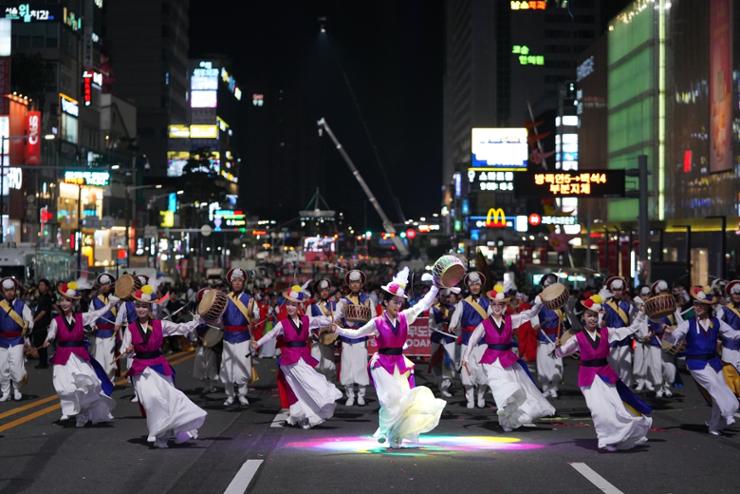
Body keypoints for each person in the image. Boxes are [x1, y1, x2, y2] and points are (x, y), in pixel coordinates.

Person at [334, 268, 446, 448]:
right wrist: (339, 330)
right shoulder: (377, 322)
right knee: (388, 398)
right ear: (385, 302)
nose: (398, 306)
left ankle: (394, 433)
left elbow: (423, 305)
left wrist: (435, 287)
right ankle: (384, 429)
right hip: (381, 363)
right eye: (395, 302)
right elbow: (356, 333)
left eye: (400, 303)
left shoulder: (405, 317)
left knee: (404, 399)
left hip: (399, 363)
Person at [555, 295, 652, 451]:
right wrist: (557, 347)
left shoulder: (608, 332)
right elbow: (561, 353)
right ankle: (605, 439)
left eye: (594, 315)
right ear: (584, 318)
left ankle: (618, 437)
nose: (592, 319)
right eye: (589, 316)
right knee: (598, 410)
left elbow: (630, 329)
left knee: (616, 408)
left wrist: (641, 315)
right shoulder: (577, 338)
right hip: (588, 377)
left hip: (606, 374)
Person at [118, 284, 206, 448]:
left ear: (150, 307)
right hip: (140, 370)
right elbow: (123, 350)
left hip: (159, 366)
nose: (141, 309)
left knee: (170, 399)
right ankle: (158, 433)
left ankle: (167, 434)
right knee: (152, 400)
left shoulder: (161, 324)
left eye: (144, 306)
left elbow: (182, 328)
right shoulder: (130, 329)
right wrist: (128, 351)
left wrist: (196, 320)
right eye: (138, 306)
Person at [462, 284, 553, 432]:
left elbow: (529, 314)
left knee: (520, 389)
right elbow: (472, 340)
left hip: (508, 359)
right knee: (501, 387)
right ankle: (503, 412)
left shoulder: (511, 320)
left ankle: (508, 420)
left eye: (500, 305)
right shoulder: (485, 324)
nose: (497, 307)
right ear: (491, 306)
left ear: (504, 306)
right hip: (491, 360)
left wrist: (538, 303)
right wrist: (465, 358)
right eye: (494, 304)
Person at [252, 285, 342, 429]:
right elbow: (271, 334)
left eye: (293, 305)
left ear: (298, 306)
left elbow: (321, 320)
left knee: (304, 385)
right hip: (290, 359)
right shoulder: (282, 323)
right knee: (302, 385)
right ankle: (304, 412)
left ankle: (298, 415)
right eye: (288, 304)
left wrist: (333, 319)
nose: (290, 307)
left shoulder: (307, 320)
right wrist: (258, 343)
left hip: (302, 356)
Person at [663, 286, 740, 435]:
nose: (697, 307)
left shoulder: (716, 322)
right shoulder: (688, 323)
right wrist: (668, 333)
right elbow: (675, 338)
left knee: (721, 388)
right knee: (713, 386)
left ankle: (714, 425)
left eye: (700, 304)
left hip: (714, 362)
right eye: (696, 304)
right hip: (695, 363)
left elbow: (733, 334)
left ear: (707, 306)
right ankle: (728, 413)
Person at [43, 281, 117, 426]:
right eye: (62, 300)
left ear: (73, 303)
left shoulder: (81, 318)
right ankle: (68, 410)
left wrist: (110, 305)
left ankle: (82, 414)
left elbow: (97, 314)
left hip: (79, 355)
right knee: (65, 386)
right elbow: (52, 333)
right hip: (63, 357)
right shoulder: (56, 320)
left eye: (68, 301)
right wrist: (48, 339)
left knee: (88, 384)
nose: (64, 303)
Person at [334, 269, 377, 406]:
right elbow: (335, 318)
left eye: (357, 282)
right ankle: (350, 395)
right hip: (347, 338)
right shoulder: (342, 301)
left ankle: (361, 395)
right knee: (347, 366)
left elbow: (374, 319)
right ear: (349, 284)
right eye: (352, 282)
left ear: (361, 284)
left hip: (361, 338)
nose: (354, 285)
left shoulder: (368, 301)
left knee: (361, 366)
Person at [450, 271, 490, 408]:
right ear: (468, 286)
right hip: (467, 342)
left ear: (481, 285)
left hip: (483, 342)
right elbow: (456, 315)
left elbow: (494, 319)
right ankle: (470, 399)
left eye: (477, 284)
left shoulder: (487, 302)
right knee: (467, 371)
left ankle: (481, 396)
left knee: (484, 370)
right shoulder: (463, 303)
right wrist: (452, 325)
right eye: (472, 284)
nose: (474, 287)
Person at [220, 267, 259, 407]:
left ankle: (242, 395)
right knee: (227, 366)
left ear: (243, 283)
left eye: (239, 281)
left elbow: (256, 318)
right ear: (231, 283)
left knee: (242, 366)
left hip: (243, 337)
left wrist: (252, 313)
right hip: (228, 337)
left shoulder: (249, 299)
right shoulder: (224, 298)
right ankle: (230, 395)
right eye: (234, 281)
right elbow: (218, 318)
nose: (237, 283)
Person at [0, 277, 34, 401]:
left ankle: (17, 389)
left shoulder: (22, 305)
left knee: (17, 369)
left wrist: (28, 325)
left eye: (11, 290)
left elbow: (29, 320)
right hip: (2, 341)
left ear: (15, 290)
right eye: (6, 290)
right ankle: (5, 392)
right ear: (3, 291)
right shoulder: (0, 305)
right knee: (3, 368)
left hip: (17, 340)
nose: (9, 292)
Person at [534, 273, 565, 399]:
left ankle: (554, 387)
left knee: (557, 365)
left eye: (551, 285)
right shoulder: (539, 299)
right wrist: (535, 323)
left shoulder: (561, 300)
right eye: (546, 285)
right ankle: (545, 387)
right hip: (543, 337)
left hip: (557, 338)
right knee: (543, 364)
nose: (548, 288)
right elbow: (533, 314)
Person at [603, 276, 635, 387]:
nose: (617, 292)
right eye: (615, 290)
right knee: (612, 366)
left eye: (619, 289)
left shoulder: (628, 306)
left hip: (624, 340)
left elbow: (633, 322)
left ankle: (626, 391)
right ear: (611, 290)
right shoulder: (604, 305)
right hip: (610, 340)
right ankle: (613, 390)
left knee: (626, 367)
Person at [88, 273, 118, 380]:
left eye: (107, 284)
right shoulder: (95, 300)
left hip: (111, 333)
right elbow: (91, 314)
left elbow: (121, 315)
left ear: (111, 285)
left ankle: (110, 380)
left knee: (109, 358)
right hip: (99, 333)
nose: (104, 286)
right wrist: (92, 325)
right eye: (102, 285)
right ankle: (101, 380)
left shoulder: (116, 299)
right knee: (99, 358)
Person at [428, 288, 458, 398]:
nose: (445, 299)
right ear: (439, 297)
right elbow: (430, 325)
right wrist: (439, 326)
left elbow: (456, 324)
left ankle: (446, 385)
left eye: (447, 297)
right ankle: (440, 384)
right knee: (436, 362)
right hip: (437, 339)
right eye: (443, 296)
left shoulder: (453, 309)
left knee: (450, 362)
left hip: (449, 339)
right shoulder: (433, 309)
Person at [192, 288, 220, 394]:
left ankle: (212, 385)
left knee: (211, 364)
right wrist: (195, 337)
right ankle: (206, 385)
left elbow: (218, 326)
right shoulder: (198, 310)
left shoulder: (216, 311)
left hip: (212, 342)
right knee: (200, 364)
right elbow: (194, 325)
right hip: (200, 341)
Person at [309, 278, 338, 380]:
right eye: (322, 290)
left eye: (326, 290)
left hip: (329, 340)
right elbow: (307, 322)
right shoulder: (312, 306)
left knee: (328, 365)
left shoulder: (334, 305)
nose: (324, 292)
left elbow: (337, 321)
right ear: (318, 291)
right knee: (316, 365)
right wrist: (311, 334)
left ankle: (329, 388)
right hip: (316, 341)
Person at [716, 280, 740, 397]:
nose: (737, 296)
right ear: (730, 294)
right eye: (735, 293)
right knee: (730, 374)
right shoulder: (724, 310)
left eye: (739, 294)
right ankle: (731, 399)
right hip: (729, 348)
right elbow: (715, 325)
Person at [32, 279, 55, 369]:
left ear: (47, 287)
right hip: (38, 324)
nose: (40, 287)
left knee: (41, 343)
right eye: (40, 285)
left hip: (43, 324)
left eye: (42, 285)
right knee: (38, 342)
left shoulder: (47, 298)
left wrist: (34, 320)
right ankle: (42, 361)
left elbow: (43, 312)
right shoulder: (40, 297)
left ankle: (43, 362)